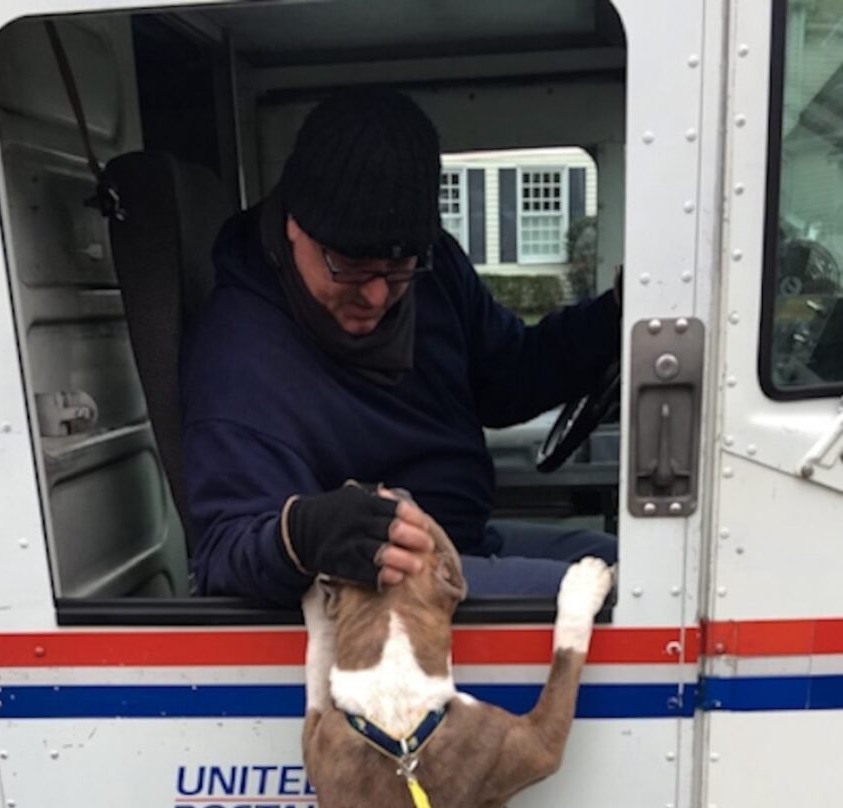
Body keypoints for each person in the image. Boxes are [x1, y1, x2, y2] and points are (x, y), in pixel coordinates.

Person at [181, 87, 620, 606]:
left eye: (397, 270)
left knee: (625, 560)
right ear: (295, 224)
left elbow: (509, 379)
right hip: (381, 593)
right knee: (629, 599)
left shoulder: (433, 269)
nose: (376, 295)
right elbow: (222, 551)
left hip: (464, 539)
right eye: (351, 267)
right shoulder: (239, 352)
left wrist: (617, 315)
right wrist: (304, 534)